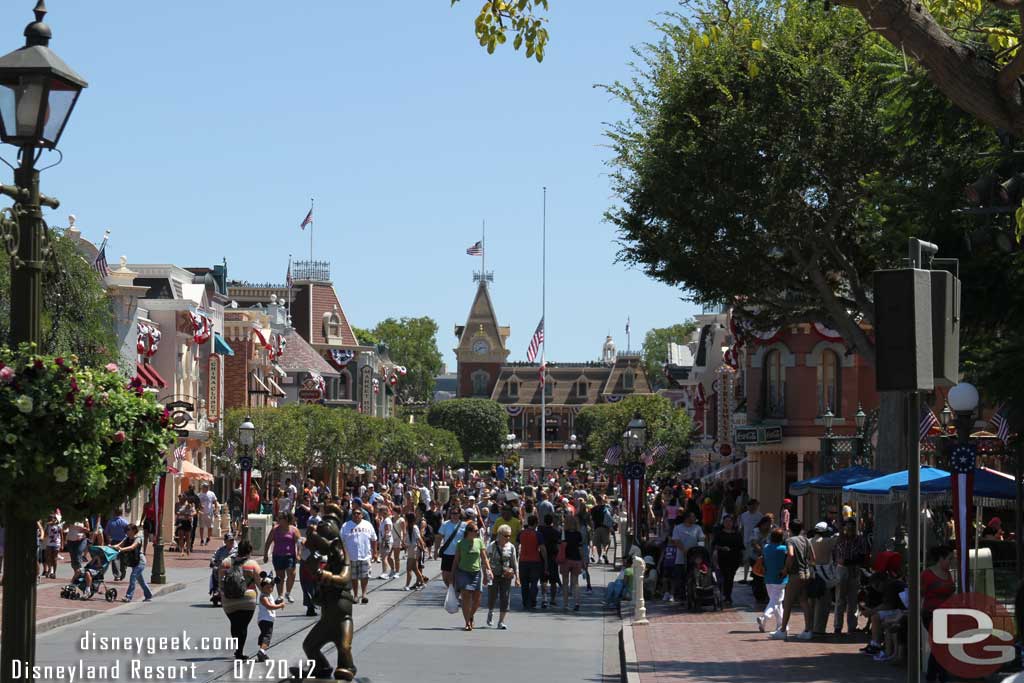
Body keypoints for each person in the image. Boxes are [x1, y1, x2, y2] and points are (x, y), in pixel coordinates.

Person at [220, 539, 261, 660]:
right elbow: (260, 585)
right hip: (247, 599)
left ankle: (237, 648)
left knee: (234, 624)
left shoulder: (226, 562)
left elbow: (220, 583)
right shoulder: (252, 564)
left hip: (228, 600)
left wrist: (223, 596)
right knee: (243, 626)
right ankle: (239, 651)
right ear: (250, 551)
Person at [922, 545, 955, 681]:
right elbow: (919, 594)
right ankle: (943, 678)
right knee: (940, 646)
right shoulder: (927, 574)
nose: (951, 562)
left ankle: (933, 677)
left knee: (940, 647)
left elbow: (951, 592)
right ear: (941, 559)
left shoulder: (948, 574)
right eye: (949, 559)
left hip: (945, 615)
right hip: (931, 614)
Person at [777, 519, 814, 641]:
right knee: (804, 601)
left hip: (795, 574)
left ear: (790, 529)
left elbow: (791, 555)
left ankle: (782, 630)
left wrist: (785, 569)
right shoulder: (806, 540)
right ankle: (808, 630)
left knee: (787, 603)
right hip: (806, 573)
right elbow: (813, 557)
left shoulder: (790, 540)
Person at [833, 517, 869, 635]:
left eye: (852, 527)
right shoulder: (839, 539)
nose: (849, 530)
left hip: (854, 570)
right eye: (847, 527)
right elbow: (837, 557)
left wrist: (849, 561)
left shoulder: (860, 540)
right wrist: (843, 561)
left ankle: (852, 627)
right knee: (840, 600)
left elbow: (862, 557)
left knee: (853, 601)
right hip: (841, 570)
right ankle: (838, 627)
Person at [453, 522, 492, 631]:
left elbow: (484, 558)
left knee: (477, 600)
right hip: (463, 572)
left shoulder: (479, 542)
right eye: (475, 531)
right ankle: (467, 622)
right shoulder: (461, 543)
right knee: (466, 596)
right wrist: (452, 574)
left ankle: (470, 616)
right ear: (469, 532)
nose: (477, 532)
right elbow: (456, 560)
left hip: (476, 573)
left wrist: (489, 570)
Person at [340, 506, 377, 604]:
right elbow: (341, 540)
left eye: (358, 513)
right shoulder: (346, 526)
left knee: (365, 576)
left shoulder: (367, 525)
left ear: (362, 515)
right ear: (352, 515)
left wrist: (375, 552)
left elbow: (374, 539)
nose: (356, 515)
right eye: (354, 513)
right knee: (354, 577)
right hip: (351, 556)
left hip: (365, 554)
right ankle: (356, 595)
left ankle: (364, 594)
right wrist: (343, 553)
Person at [486, 523, 519, 628]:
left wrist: (517, 578)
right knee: (492, 596)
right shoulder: (492, 545)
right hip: (494, 575)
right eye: (506, 535)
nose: (508, 538)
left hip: (506, 576)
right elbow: (486, 559)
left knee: (505, 598)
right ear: (500, 535)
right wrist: (486, 573)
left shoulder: (511, 547)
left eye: (509, 535)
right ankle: (491, 612)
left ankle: (501, 622)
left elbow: (514, 563)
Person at [263, 513, 301, 603]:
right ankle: (280, 596)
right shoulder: (275, 530)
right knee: (280, 576)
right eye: (278, 518)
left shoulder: (294, 530)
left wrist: (299, 554)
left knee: (292, 574)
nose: (278, 520)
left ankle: (288, 593)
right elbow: (268, 542)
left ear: (286, 519)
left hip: (290, 556)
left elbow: (299, 543)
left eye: (280, 518)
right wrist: (265, 554)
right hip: (278, 555)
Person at [808, 521, 837, 635]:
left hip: (811, 574)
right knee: (823, 603)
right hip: (824, 575)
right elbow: (839, 537)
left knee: (811, 602)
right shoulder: (828, 541)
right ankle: (819, 628)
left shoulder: (809, 541)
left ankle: (809, 626)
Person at [670, 511, 705, 601]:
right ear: (687, 518)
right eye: (693, 517)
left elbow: (701, 539)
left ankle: (696, 594)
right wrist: (685, 550)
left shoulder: (697, 528)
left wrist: (699, 550)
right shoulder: (678, 528)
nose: (695, 519)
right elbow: (676, 541)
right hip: (681, 558)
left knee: (695, 576)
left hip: (695, 558)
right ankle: (681, 596)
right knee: (680, 578)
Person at [758, 528, 788, 635]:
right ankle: (764, 617)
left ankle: (781, 625)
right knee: (776, 601)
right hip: (780, 578)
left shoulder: (766, 548)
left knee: (776, 601)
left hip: (768, 578)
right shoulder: (784, 549)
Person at [711, 514, 743, 606]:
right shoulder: (719, 533)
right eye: (726, 521)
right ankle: (725, 595)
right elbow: (714, 545)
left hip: (734, 558)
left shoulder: (737, 534)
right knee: (724, 577)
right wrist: (722, 548)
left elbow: (741, 547)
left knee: (730, 577)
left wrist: (742, 557)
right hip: (722, 558)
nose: (728, 523)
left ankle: (728, 596)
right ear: (723, 523)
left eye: (730, 521)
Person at [117, 524, 152, 603]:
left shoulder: (138, 539)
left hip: (140, 561)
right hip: (134, 561)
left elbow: (133, 547)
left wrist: (122, 549)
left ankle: (128, 596)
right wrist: (109, 547)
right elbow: (118, 545)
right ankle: (148, 595)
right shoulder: (127, 538)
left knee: (133, 577)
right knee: (141, 580)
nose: (127, 532)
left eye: (128, 530)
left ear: (133, 531)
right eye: (126, 530)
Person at [517, 514, 545, 610]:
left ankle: (525, 601)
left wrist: (516, 557)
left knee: (524, 583)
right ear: (536, 523)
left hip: (523, 561)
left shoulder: (521, 533)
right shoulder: (538, 534)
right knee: (534, 582)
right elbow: (542, 548)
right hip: (535, 560)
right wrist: (545, 560)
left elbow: (516, 546)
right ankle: (532, 600)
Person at [255, 573, 285, 662]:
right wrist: (280, 605)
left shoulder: (269, 595)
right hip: (265, 619)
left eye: (271, 587)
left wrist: (277, 602)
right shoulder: (263, 597)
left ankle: (263, 652)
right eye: (267, 587)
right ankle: (262, 651)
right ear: (262, 587)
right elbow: (269, 606)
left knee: (264, 634)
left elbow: (272, 604)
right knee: (267, 636)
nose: (270, 589)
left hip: (267, 619)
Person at [559, 515, 585, 611]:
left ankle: (566, 604)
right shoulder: (578, 534)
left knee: (565, 583)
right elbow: (580, 549)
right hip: (576, 560)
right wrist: (583, 561)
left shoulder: (563, 533)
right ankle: (577, 603)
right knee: (575, 583)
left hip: (565, 560)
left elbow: (560, 547)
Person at [437, 507, 466, 587]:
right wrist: (436, 549)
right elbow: (439, 537)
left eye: (455, 513)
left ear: (459, 514)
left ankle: (456, 590)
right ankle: (451, 589)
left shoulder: (465, 525)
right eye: (452, 513)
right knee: (445, 576)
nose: (453, 515)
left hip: (459, 554)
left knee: (457, 574)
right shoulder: (445, 524)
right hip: (447, 553)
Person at [403, 512, 427, 591]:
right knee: (415, 569)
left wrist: (423, 547)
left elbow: (418, 538)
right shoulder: (408, 527)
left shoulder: (414, 527)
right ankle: (423, 583)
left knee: (409, 568)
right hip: (411, 548)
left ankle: (407, 585)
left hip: (414, 549)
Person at [739, 499, 761, 582]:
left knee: (755, 560)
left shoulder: (759, 516)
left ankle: (755, 577)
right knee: (746, 560)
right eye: (751, 505)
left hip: (756, 541)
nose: (753, 507)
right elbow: (742, 528)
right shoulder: (743, 515)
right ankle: (745, 578)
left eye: (755, 505)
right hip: (746, 540)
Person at [104, 508, 129, 581]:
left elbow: (107, 533)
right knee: (123, 558)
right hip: (124, 542)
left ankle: (117, 575)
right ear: (121, 513)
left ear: (114, 513)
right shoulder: (125, 522)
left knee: (115, 558)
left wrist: (109, 541)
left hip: (114, 542)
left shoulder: (110, 522)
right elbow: (128, 532)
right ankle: (123, 572)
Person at [591, 495, 613, 564]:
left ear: (596, 501)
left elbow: (592, 519)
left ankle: (599, 558)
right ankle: (604, 553)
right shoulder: (606, 507)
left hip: (597, 528)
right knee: (606, 543)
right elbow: (611, 516)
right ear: (602, 500)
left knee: (597, 544)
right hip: (605, 528)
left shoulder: (593, 509)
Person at [197, 483, 219, 547]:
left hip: (210, 513)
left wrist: (216, 510)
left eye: (207, 487)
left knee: (210, 527)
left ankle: (208, 537)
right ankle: (201, 539)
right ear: (202, 487)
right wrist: (200, 507)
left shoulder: (211, 494)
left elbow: (215, 502)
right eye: (205, 487)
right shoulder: (199, 495)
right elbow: (197, 504)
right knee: (201, 527)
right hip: (202, 513)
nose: (206, 488)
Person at [175, 494, 194, 558]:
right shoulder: (177, 504)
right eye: (179, 498)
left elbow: (193, 512)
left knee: (187, 536)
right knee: (180, 536)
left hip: (187, 521)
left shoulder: (189, 505)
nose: (180, 499)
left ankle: (188, 549)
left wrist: (190, 515)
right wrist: (184, 514)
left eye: (181, 498)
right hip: (180, 521)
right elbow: (176, 512)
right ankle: (182, 551)